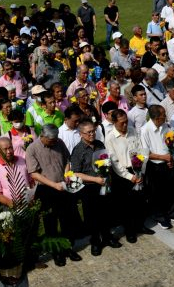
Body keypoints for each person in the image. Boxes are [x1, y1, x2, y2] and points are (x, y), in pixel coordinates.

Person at [26, 123, 82, 266]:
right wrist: (53, 185)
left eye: (55, 139)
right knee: (50, 222)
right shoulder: (32, 149)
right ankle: (56, 252)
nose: (54, 142)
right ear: (42, 136)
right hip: (46, 189)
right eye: (51, 141)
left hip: (62, 186)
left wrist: (66, 173)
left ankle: (68, 247)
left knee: (67, 220)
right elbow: (34, 174)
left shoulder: (59, 142)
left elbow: (67, 160)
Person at [67, 120, 120, 254]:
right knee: (92, 216)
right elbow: (76, 173)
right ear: (81, 134)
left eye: (93, 131)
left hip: (103, 182)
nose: (92, 134)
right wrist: (95, 179)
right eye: (88, 132)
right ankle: (95, 241)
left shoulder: (99, 144)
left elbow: (105, 160)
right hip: (89, 186)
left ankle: (107, 236)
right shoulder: (78, 150)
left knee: (106, 211)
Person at [103, 109, 148, 243]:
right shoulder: (110, 138)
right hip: (122, 175)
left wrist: (141, 171)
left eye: (126, 122)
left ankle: (140, 225)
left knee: (140, 202)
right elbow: (115, 161)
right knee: (126, 206)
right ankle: (129, 231)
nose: (125, 125)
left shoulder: (132, 131)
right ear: (115, 122)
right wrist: (129, 176)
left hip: (137, 169)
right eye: (122, 123)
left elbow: (141, 149)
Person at [140, 105, 174, 229]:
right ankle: (160, 216)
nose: (165, 117)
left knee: (170, 189)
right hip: (154, 166)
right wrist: (163, 158)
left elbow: (171, 143)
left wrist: (171, 157)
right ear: (156, 118)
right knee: (156, 193)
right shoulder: (145, 130)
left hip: (167, 162)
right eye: (163, 115)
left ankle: (172, 212)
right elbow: (145, 154)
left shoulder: (165, 126)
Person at [0, 135, 30, 208]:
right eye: (5, 149)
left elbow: (31, 181)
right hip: (12, 207)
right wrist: (11, 204)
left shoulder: (22, 160)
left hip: (29, 202)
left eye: (10, 148)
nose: (9, 151)